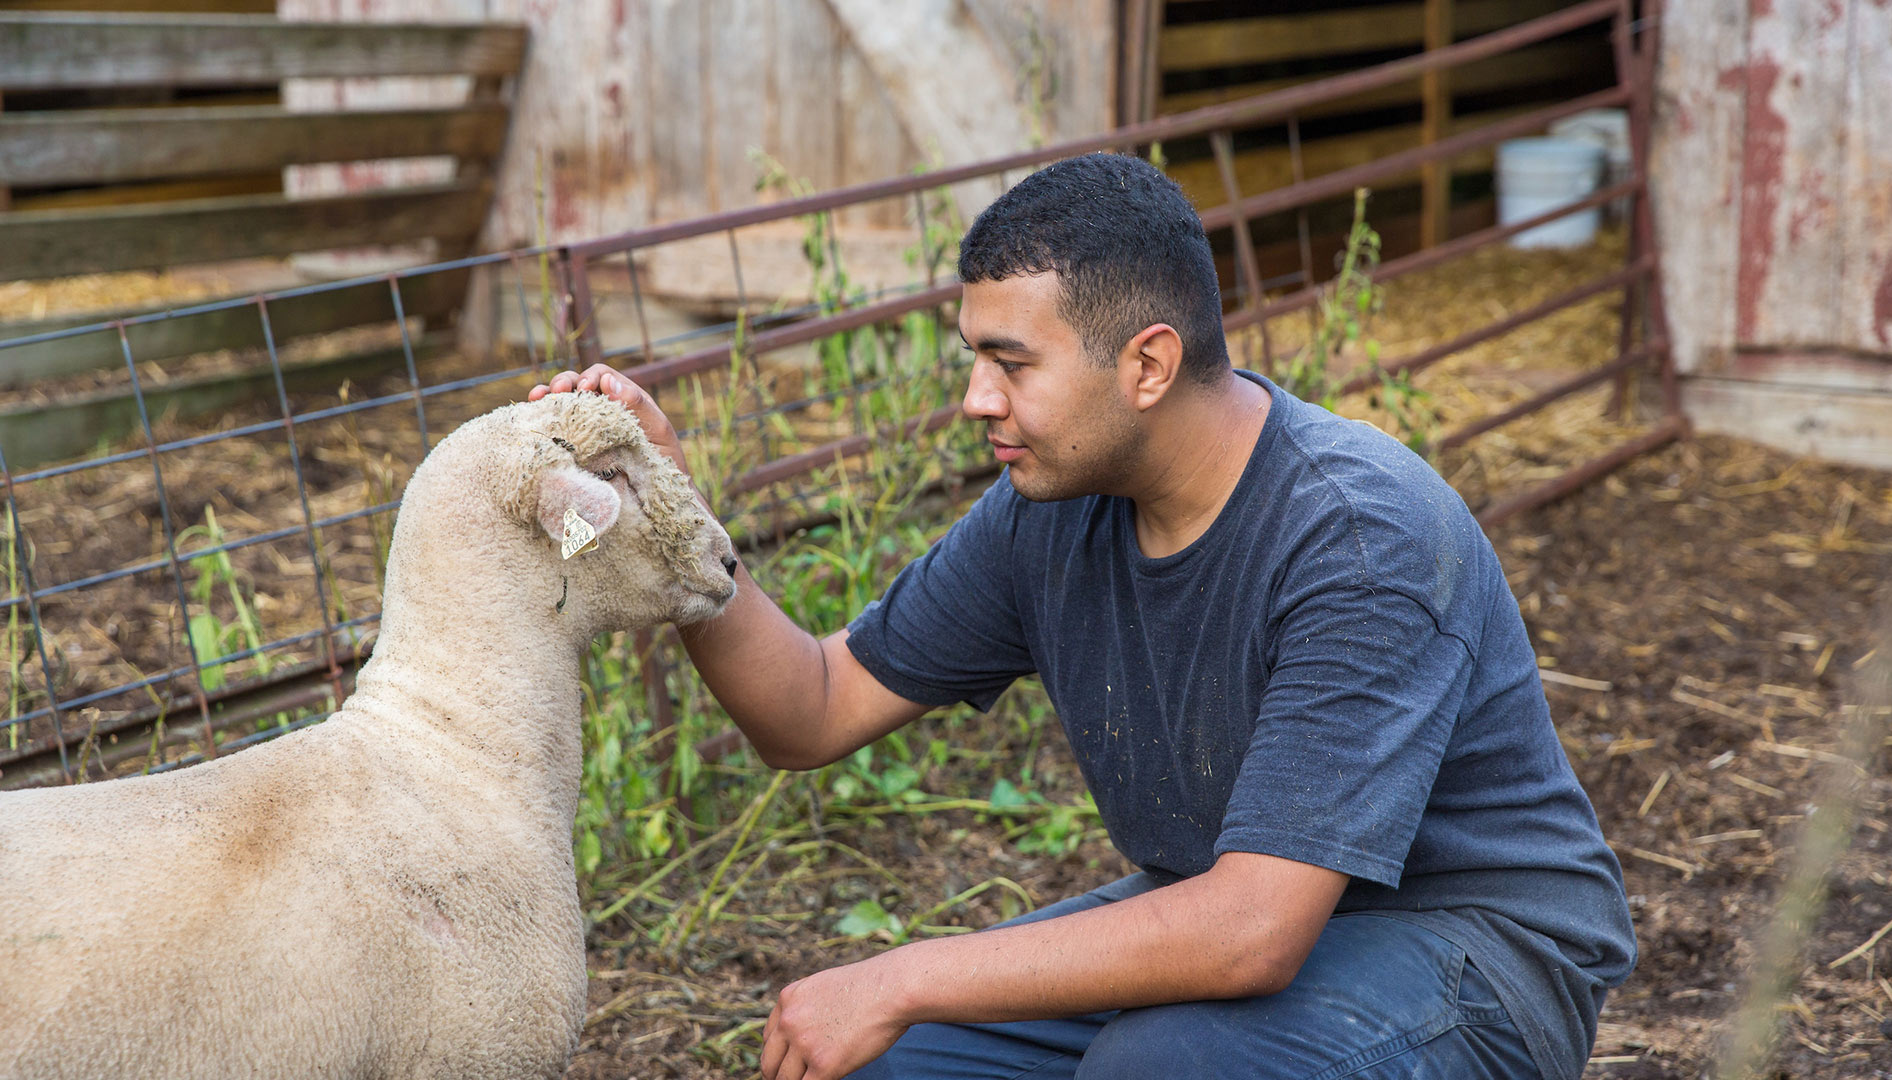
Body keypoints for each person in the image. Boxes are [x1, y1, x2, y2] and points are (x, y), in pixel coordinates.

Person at [531, 152, 1635, 1080]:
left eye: (1011, 363)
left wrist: (901, 970)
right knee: (875, 1059)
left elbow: (1252, 933)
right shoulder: (1049, 510)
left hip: (1473, 951)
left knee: (1161, 1066)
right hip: (1237, 905)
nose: (976, 399)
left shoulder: (1357, 538)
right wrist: (669, 510)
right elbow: (810, 711)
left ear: (1148, 363)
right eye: (976, 358)